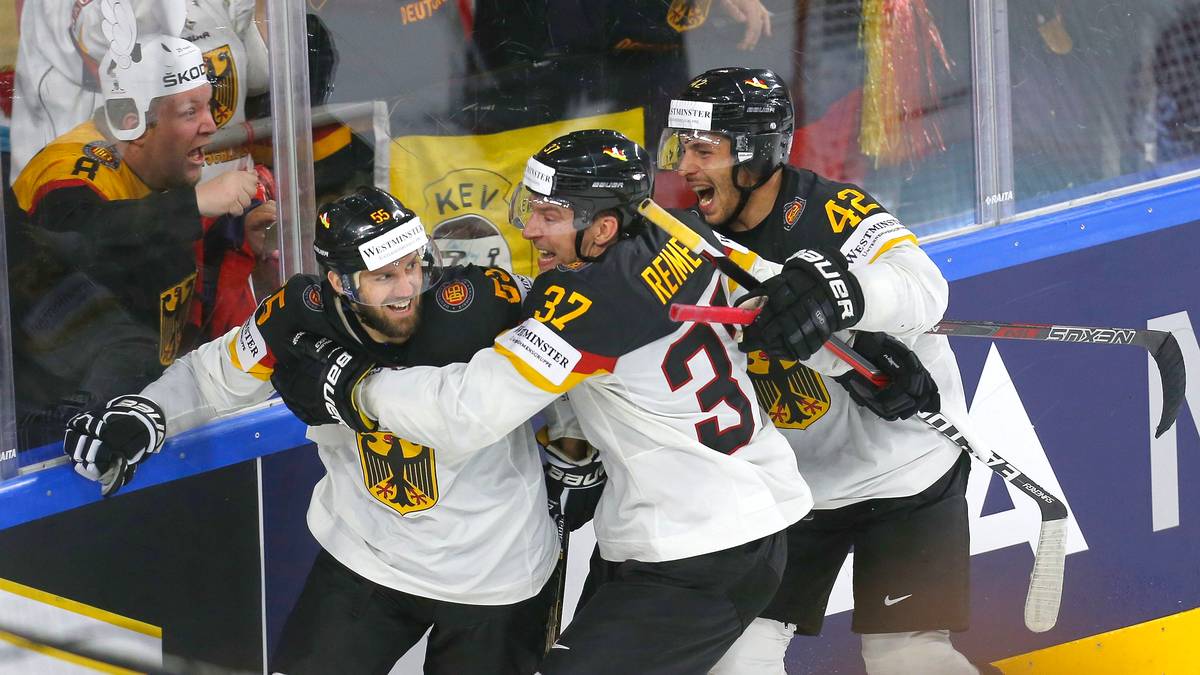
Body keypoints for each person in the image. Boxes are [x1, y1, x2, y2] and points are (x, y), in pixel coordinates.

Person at [268, 129, 813, 674]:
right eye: (530, 208)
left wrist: (354, 385)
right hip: (710, 525)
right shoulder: (683, 235)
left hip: (702, 549)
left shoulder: (588, 305)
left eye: (549, 215)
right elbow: (781, 298)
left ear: (602, 227)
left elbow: (466, 412)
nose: (529, 228)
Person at [60, 185, 576, 674]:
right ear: (339, 281)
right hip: (369, 557)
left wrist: (575, 445)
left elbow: (576, 343)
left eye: (412, 267)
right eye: (383, 277)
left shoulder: (482, 301)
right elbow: (209, 376)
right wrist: (145, 414)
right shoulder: (297, 315)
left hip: (495, 568)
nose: (406, 290)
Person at [658, 66, 982, 675]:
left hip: (907, 469)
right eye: (681, 149)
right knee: (737, 659)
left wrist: (841, 293)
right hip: (791, 490)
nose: (685, 167)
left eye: (703, 150)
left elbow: (924, 286)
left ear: (755, 155)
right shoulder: (684, 247)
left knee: (906, 656)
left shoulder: (834, 210)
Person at [10, 33, 266, 448]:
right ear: (132, 122)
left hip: (136, 405)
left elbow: (148, 254)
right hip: (61, 428)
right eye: (190, 111)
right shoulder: (70, 167)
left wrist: (228, 235)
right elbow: (76, 240)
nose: (211, 124)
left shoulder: (156, 166)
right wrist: (195, 203)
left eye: (207, 104)